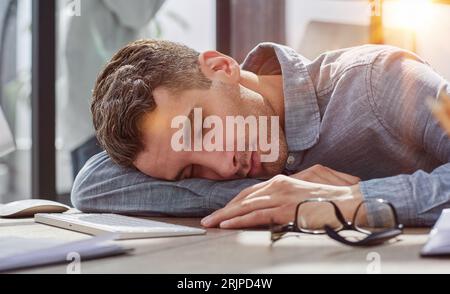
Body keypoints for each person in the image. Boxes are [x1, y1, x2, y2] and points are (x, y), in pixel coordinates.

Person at [72, 39, 450, 229]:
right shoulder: (222, 163)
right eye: (190, 172)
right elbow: (92, 185)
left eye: (203, 129)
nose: (223, 166)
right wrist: (273, 199)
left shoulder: (378, 80)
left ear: (221, 67)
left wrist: (353, 201)